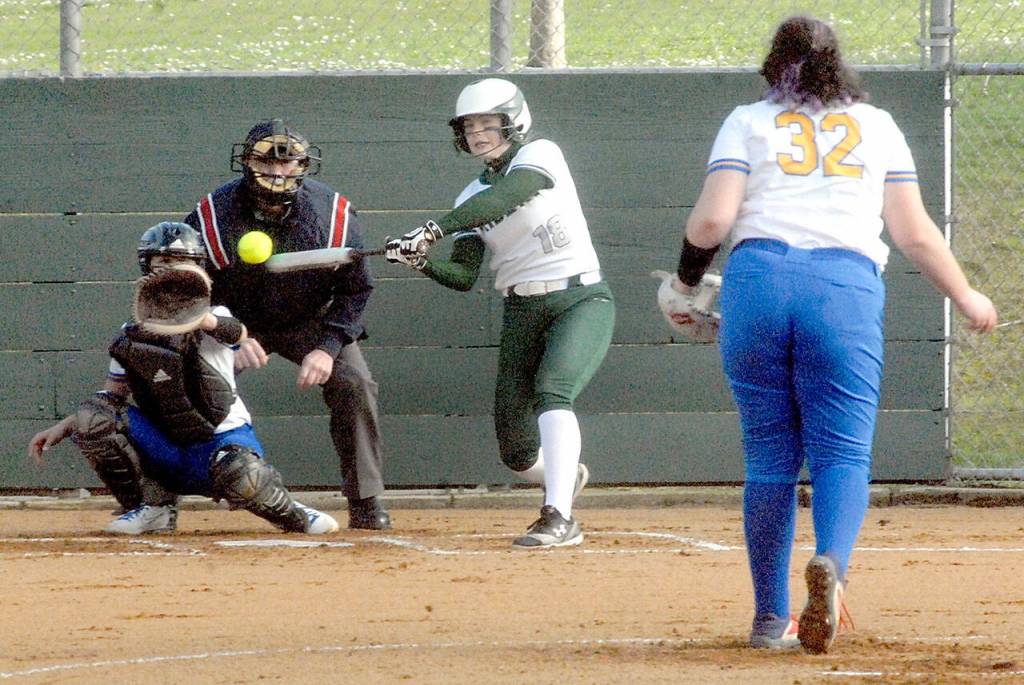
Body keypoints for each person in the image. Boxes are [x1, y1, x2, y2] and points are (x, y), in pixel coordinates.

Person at [669, 16, 998, 653]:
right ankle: (832, 568)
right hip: (842, 288)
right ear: (840, 66)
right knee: (842, 454)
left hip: (758, 282)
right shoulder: (877, 126)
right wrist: (965, 295)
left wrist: (686, 283)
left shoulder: (748, 120)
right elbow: (914, 235)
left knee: (768, 461)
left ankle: (770, 619)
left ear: (773, 65)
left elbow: (712, 221)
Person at [385, 78, 615, 549]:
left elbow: (509, 196)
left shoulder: (542, 154)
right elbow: (464, 273)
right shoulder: (469, 195)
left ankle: (559, 517)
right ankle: (563, 477)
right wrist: (421, 260)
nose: (479, 133)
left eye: (489, 122)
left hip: (579, 298)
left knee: (554, 391)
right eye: (470, 126)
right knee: (514, 447)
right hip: (522, 309)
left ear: (515, 120)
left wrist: (433, 230)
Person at [28, 222, 339, 536]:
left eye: (182, 262)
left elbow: (237, 332)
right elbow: (113, 396)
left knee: (245, 477)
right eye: (162, 262)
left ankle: (294, 513)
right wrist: (66, 425)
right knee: (92, 418)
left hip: (220, 441)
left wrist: (200, 317)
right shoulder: (132, 333)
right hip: (165, 446)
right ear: (146, 266)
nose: (172, 270)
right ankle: (153, 508)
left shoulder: (215, 314)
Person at [183, 119, 391, 530]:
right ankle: (158, 499)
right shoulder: (211, 215)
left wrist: (327, 347)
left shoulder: (332, 214)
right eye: (266, 160)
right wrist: (229, 333)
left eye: (290, 161)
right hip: (234, 322)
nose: (279, 171)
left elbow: (356, 290)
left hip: (308, 320)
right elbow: (190, 289)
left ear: (304, 164)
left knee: (354, 382)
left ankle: (366, 502)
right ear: (245, 161)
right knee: (174, 378)